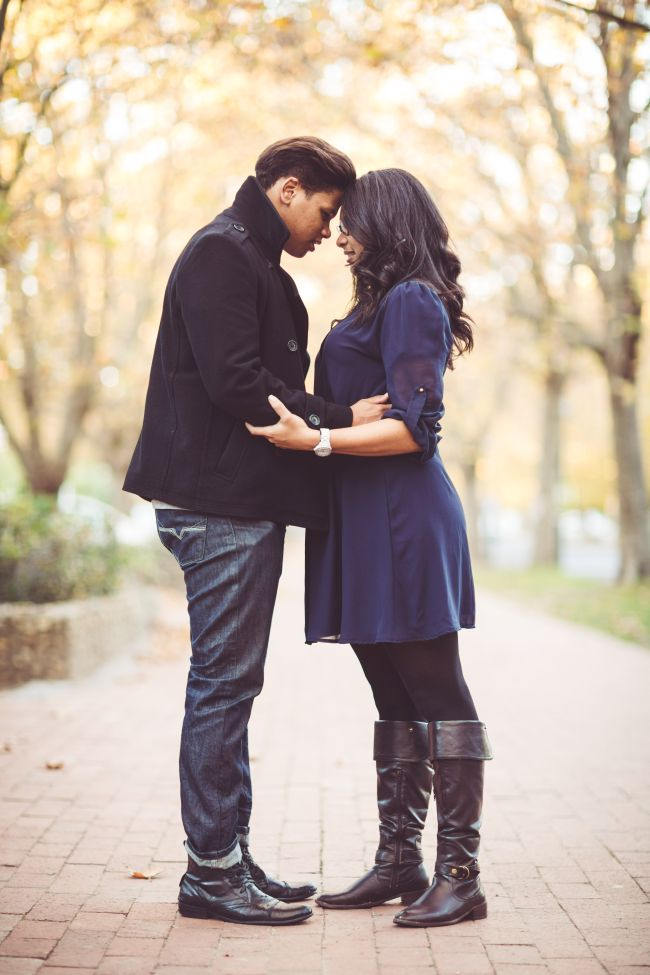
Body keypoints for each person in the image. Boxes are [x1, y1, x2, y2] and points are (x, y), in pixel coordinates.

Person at [123, 138, 392, 926]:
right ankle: (211, 872)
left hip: (236, 502)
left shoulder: (252, 260)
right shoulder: (222, 254)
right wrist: (338, 418)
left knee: (232, 684)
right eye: (325, 210)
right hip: (218, 504)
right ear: (287, 188)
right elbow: (237, 382)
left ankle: (227, 855)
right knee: (222, 685)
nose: (328, 230)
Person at [246, 168, 493, 928]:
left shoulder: (414, 299)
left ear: (385, 220)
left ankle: (461, 874)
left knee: (437, 693)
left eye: (350, 220)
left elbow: (414, 430)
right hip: (358, 519)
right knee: (393, 697)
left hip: (404, 522)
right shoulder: (377, 303)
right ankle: (398, 861)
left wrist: (315, 436)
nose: (339, 232)